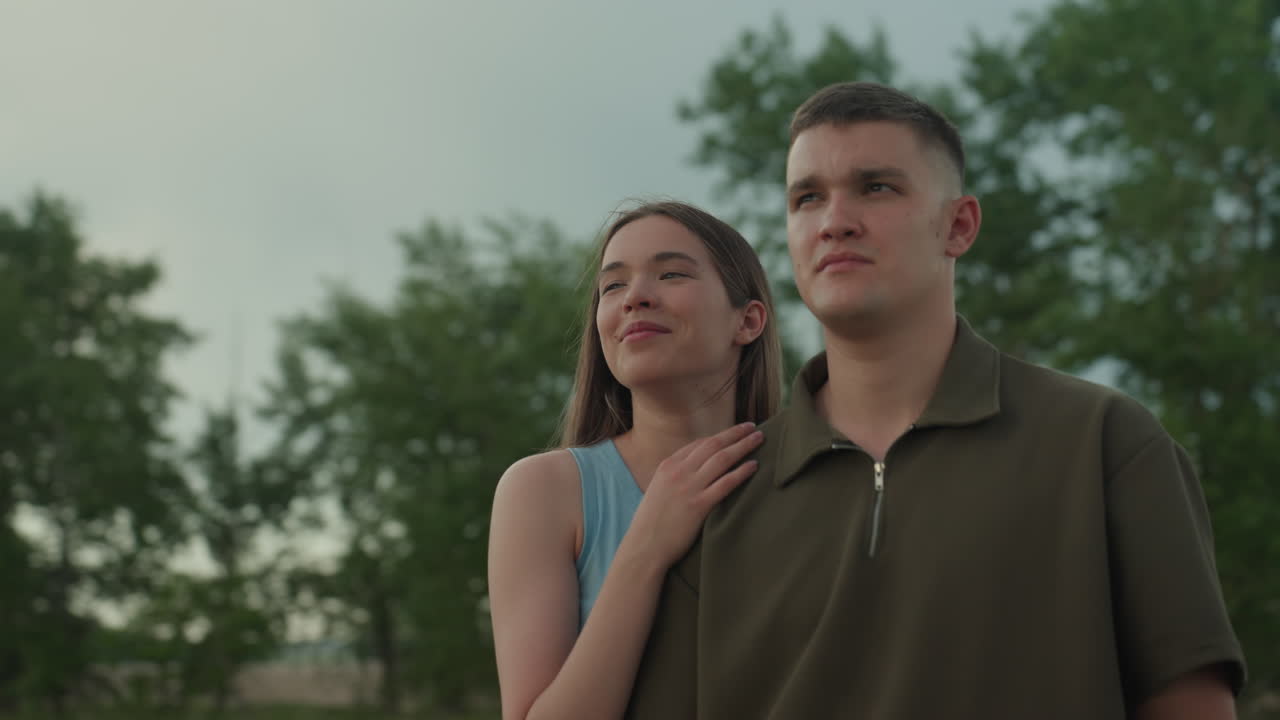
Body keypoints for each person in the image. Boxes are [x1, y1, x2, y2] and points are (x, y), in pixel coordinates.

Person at [626, 83, 1246, 719]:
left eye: (877, 187)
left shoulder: (1103, 442)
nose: (835, 220)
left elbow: (1189, 704)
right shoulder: (722, 496)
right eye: (807, 197)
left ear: (959, 225)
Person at [487, 200, 783, 720]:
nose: (636, 298)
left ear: (749, 320)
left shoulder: (811, 477)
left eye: (671, 274)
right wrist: (647, 546)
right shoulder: (544, 492)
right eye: (613, 286)